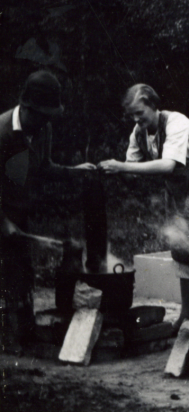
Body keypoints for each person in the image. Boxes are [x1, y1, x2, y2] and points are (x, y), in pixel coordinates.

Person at [98, 84, 189, 328]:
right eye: (131, 115)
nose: (136, 119)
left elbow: (167, 165)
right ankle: (187, 313)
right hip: (176, 193)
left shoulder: (176, 123)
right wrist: (107, 171)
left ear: (153, 105)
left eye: (140, 113)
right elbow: (132, 170)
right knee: (181, 249)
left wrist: (121, 167)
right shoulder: (139, 133)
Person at [1, 71, 97, 353]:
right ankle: (10, 341)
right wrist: (3, 221)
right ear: (27, 107)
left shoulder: (42, 128)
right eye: (41, 115)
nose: (45, 122)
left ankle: (21, 336)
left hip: (18, 212)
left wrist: (73, 172)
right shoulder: (3, 131)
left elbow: (42, 168)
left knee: (20, 270)